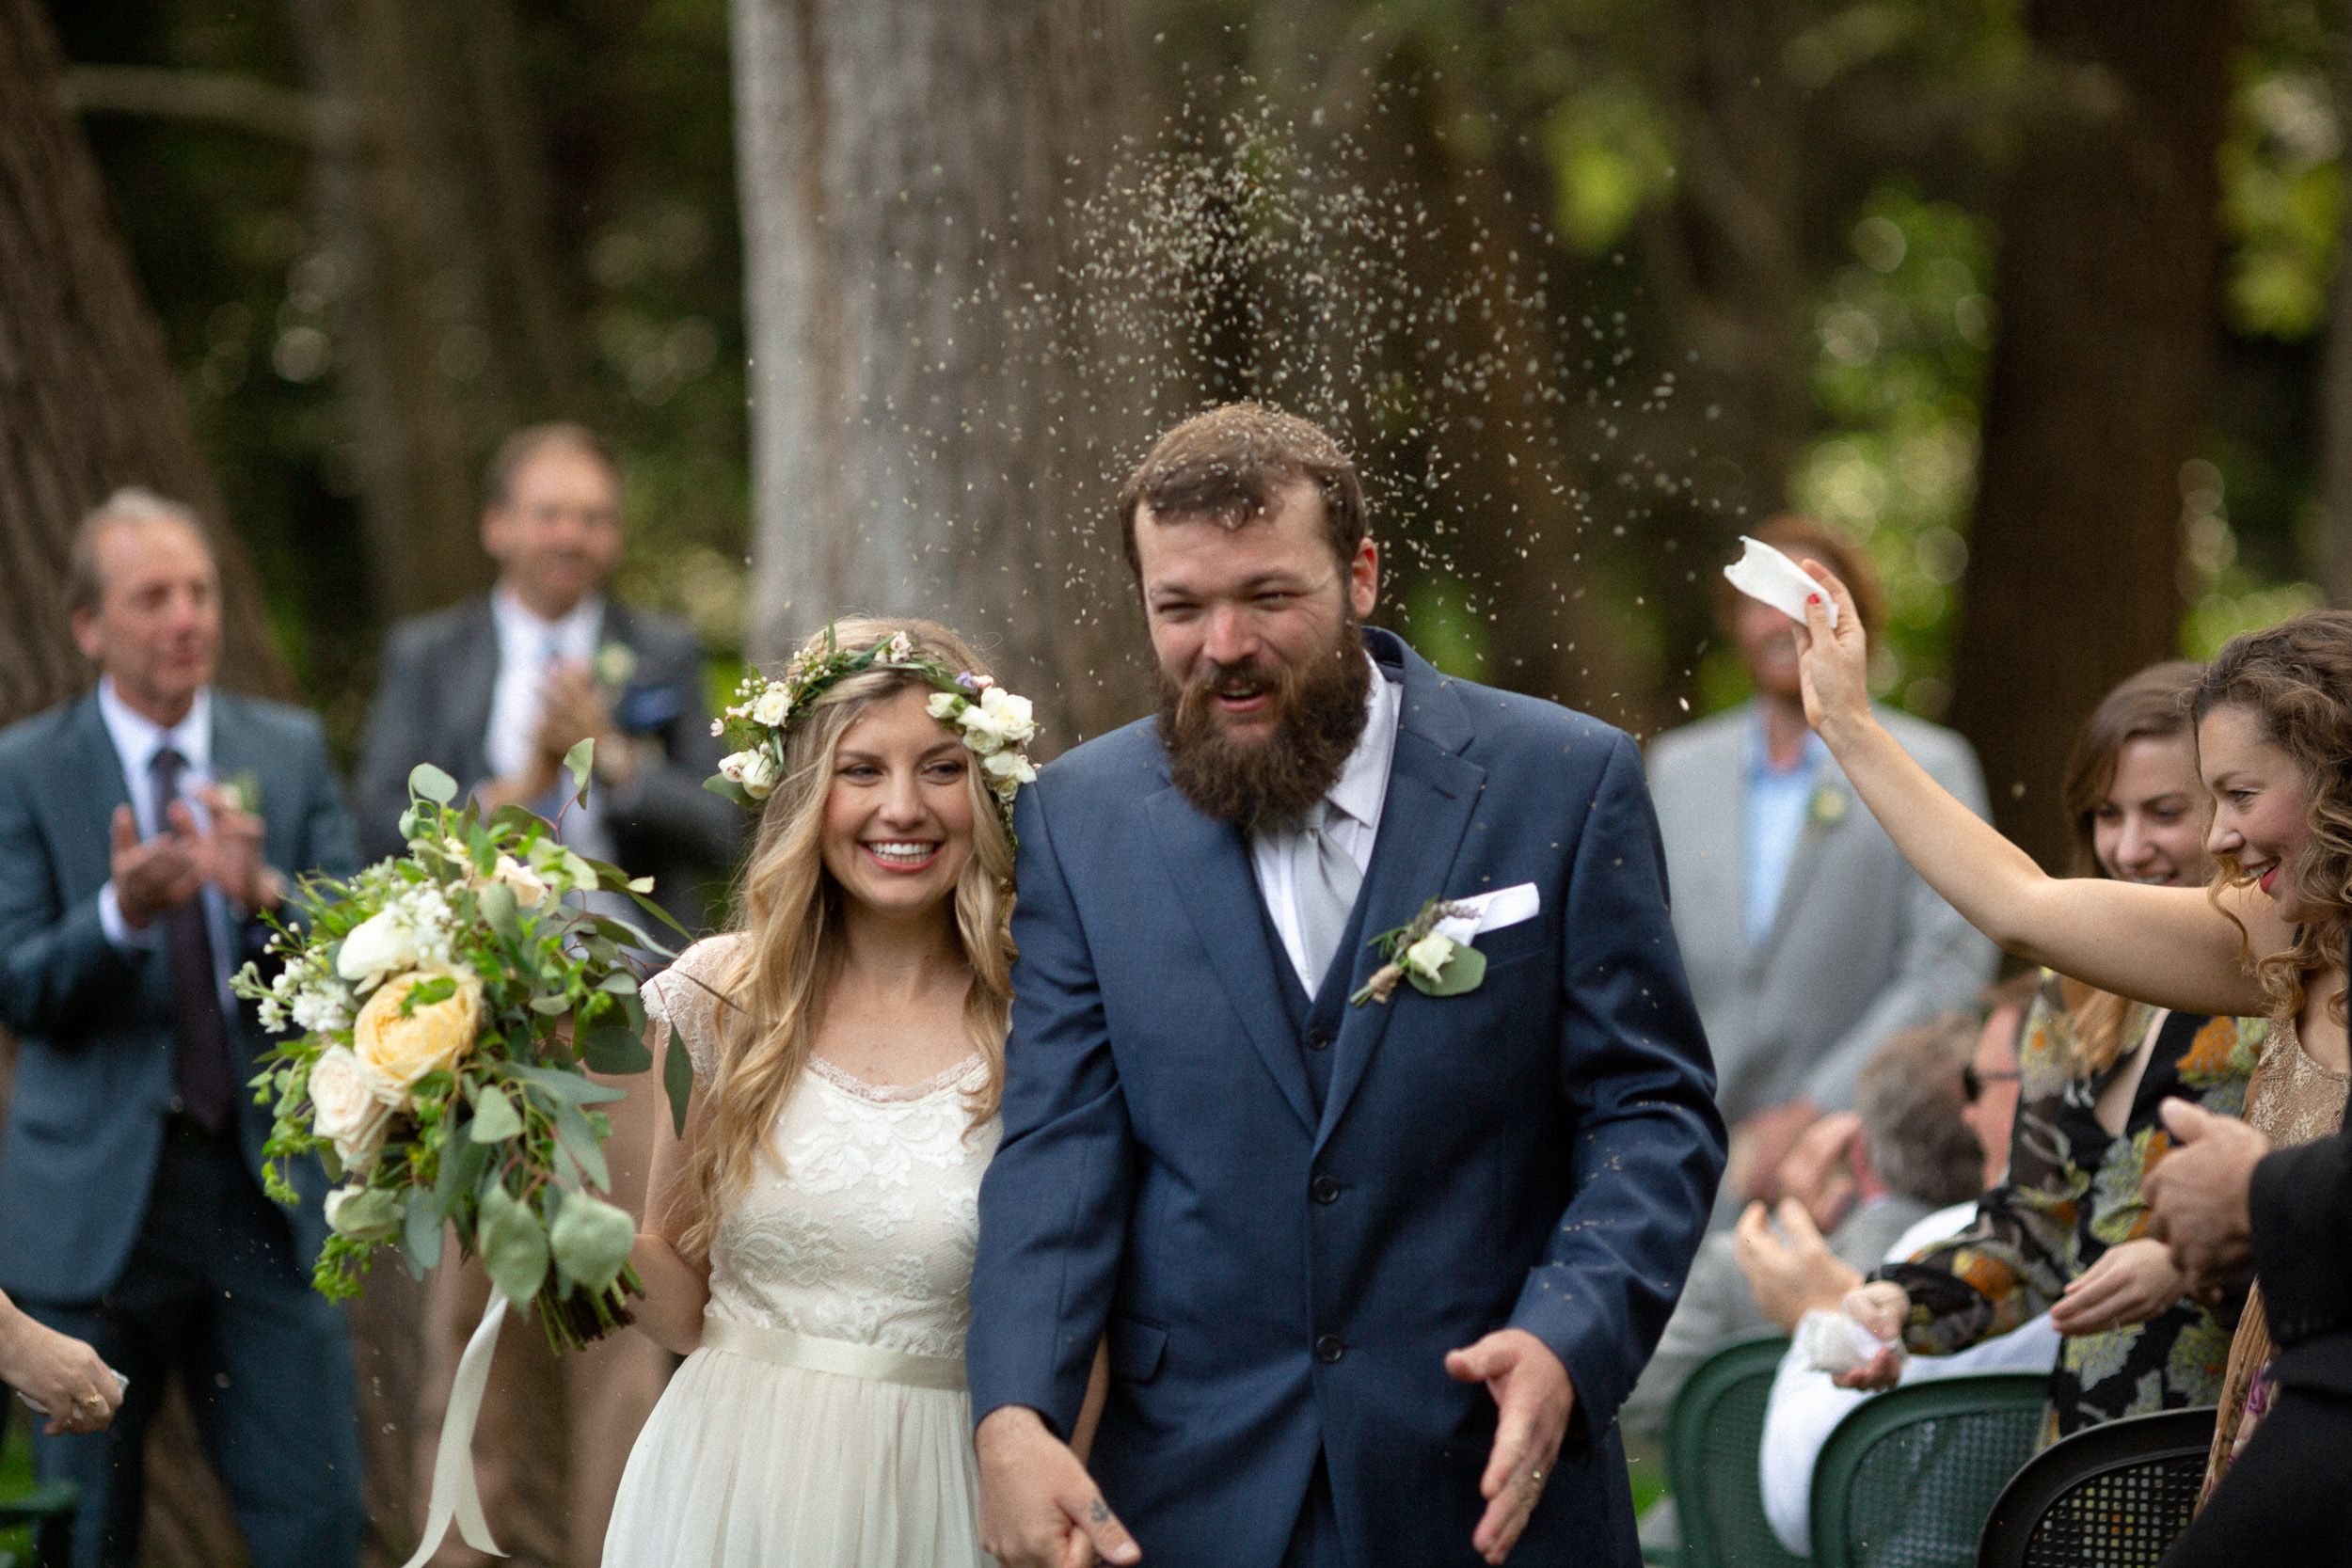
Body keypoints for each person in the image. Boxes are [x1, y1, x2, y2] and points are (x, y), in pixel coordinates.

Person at [966, 404, 1726, 1568]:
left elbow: (1651, 1112)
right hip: (1192, 1488)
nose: (1223, 643)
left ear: (1361, 574)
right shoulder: (1080, 817)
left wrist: (1570, 1334)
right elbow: (1061, 1149)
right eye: (1180, 607)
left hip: (1484, 1482)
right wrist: (1013, 1410)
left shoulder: (1562, 781)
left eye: (1269, 595)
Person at [1782, 578, 2352, 1557]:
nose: (2216, 838)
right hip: (2256, 1423)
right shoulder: (2281, 937)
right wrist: (1848, 722)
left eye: (2238, 796)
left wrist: (2241, 1208)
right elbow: (2023, 905)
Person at [354, 423, 739, 1566]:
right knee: (471, 1319)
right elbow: (381, 827)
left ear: (612, 535)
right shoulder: (434, 654)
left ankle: (613, 1547)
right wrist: (521, 782)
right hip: (474, 1024)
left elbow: (721, 824)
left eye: (592, 515)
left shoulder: (656, 645)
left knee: (626, 1319)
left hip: (628, 1016)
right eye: (549, 511)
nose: (571, 534)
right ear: (499, 525)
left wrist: (616, 758)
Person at [601, 618, 1053, 1567]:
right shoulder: (720, 992)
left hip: (940, 1490)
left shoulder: (1041, 1017)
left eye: (940, 768)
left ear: (986, 784)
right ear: (809, 793)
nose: (903, 807)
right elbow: (683, 1299)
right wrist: (559, 1228)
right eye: (861, 770)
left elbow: (1075, 1316)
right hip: (727, 1483)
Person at [0, 489, 364, 1567]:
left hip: (266, 1194)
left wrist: (262, 899)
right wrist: (121, 915)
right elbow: (16, 984)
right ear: (87, 625)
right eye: (152, 596)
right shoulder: (25, 768)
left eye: (198, 591)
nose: (184, 616)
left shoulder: (287, 750)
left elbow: (358, 969)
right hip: (93, 1214)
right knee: (85, 1538)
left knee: (319, 1522)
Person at [1827, 662, 2264, 1443]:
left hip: (2231, 1435)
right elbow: (2035, 1226)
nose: (2131, 848)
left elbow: (2315, 1209)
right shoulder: (2072, 992)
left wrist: (2190, 1265)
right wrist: (1902, 1300)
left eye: (2165, 812)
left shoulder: (2288, 980)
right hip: (2082, 1451)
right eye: (2105, 814)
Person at [1647, 515, 1995, 1214]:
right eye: (1760, 599)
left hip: (1853, 1159)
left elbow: (1950, 965)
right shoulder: (1676, 769)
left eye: (1808, 596)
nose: (1783, 619)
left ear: (1853, 619)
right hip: (1685, 1150)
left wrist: (1815, 1107)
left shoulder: (1932, 764)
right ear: (1733, 620)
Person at [1621, 1009, 1989, 1446]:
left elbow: (1636, 1397)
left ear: (1856, 1148)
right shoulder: (2030, 1275)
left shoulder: (1739, 1269)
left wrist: (1784, 1225)